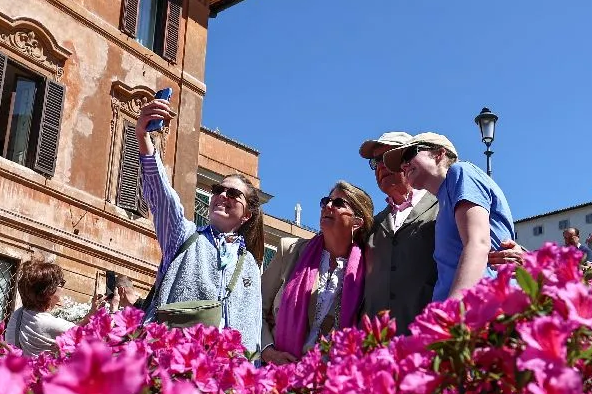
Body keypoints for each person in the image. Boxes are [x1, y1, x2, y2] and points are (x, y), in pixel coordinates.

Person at [135, 96, 263, 352]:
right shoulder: (184, 235)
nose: (222, 196)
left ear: (247, 214)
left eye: (233, 194)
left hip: (224, 376)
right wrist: (143, 138)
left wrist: (247, 370)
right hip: (175, 362)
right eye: (218, 189)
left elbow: (252, 326)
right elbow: (163, 198)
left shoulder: (249, 263)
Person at [383, 132, 514, 301]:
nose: (404, 166)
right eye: (401, 163)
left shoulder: (460, 172)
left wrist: (452, 312)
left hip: (475, 309)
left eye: (409, 154)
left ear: (439, 153)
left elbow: (478, 243)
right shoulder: (445, 199)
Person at [261, 182, 374, 363]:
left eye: (338, 204)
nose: (328, 206)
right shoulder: (290, 251)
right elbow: (257, 306)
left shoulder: (368, 269)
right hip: (278, 375)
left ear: (357, 222)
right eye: (325, 201)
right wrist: (268, 352)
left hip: (331, 380)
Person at [357, 132, 439, 333]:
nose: (380, 166)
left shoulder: (442, 205)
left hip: (428, 340)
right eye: (375, 162)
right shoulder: (372, 226)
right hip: (378, 349)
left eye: (387, 157)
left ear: (407, 160)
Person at [3, 260, 75, 355]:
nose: (63, 288)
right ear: (49, 291)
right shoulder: (47, 323)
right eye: (61, 283)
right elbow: (86, 333)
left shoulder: (18, 313)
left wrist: (90, 314)